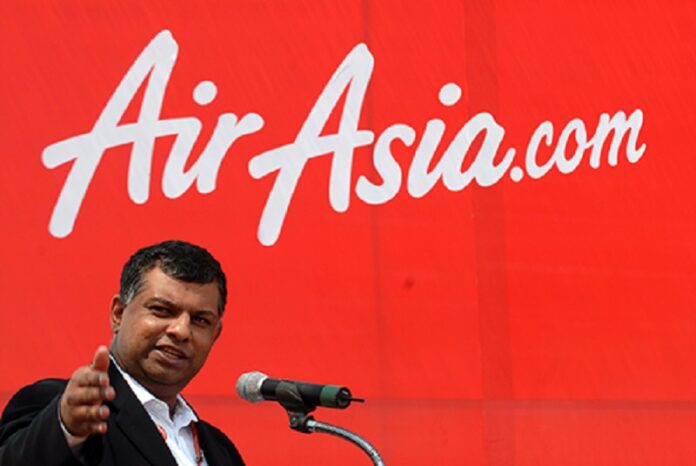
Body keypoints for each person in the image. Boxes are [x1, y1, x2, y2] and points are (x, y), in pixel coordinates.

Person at [0, 240, 245, 465]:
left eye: (200, 320)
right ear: (118, 313)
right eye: (161, 310)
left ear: (215, 334)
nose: (181, 331)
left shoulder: (221, 451)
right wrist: (65, 427)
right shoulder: (58, 407)